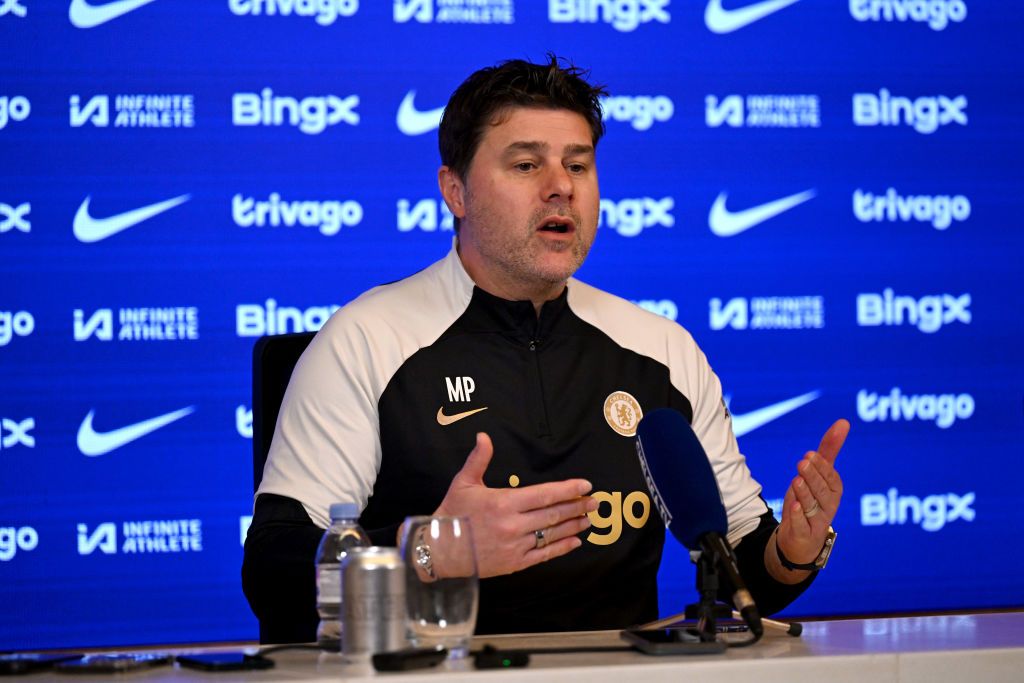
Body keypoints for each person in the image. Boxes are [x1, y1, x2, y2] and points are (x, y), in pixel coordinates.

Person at [242, 55, 849, 643]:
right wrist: (431, 550)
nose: (561, 188)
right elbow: (273, 572)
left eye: (578, 166)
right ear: (454, 191)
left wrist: (792, 552)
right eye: (527, 165)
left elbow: (742, 575)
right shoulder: (367, 340)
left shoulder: (662, 349)